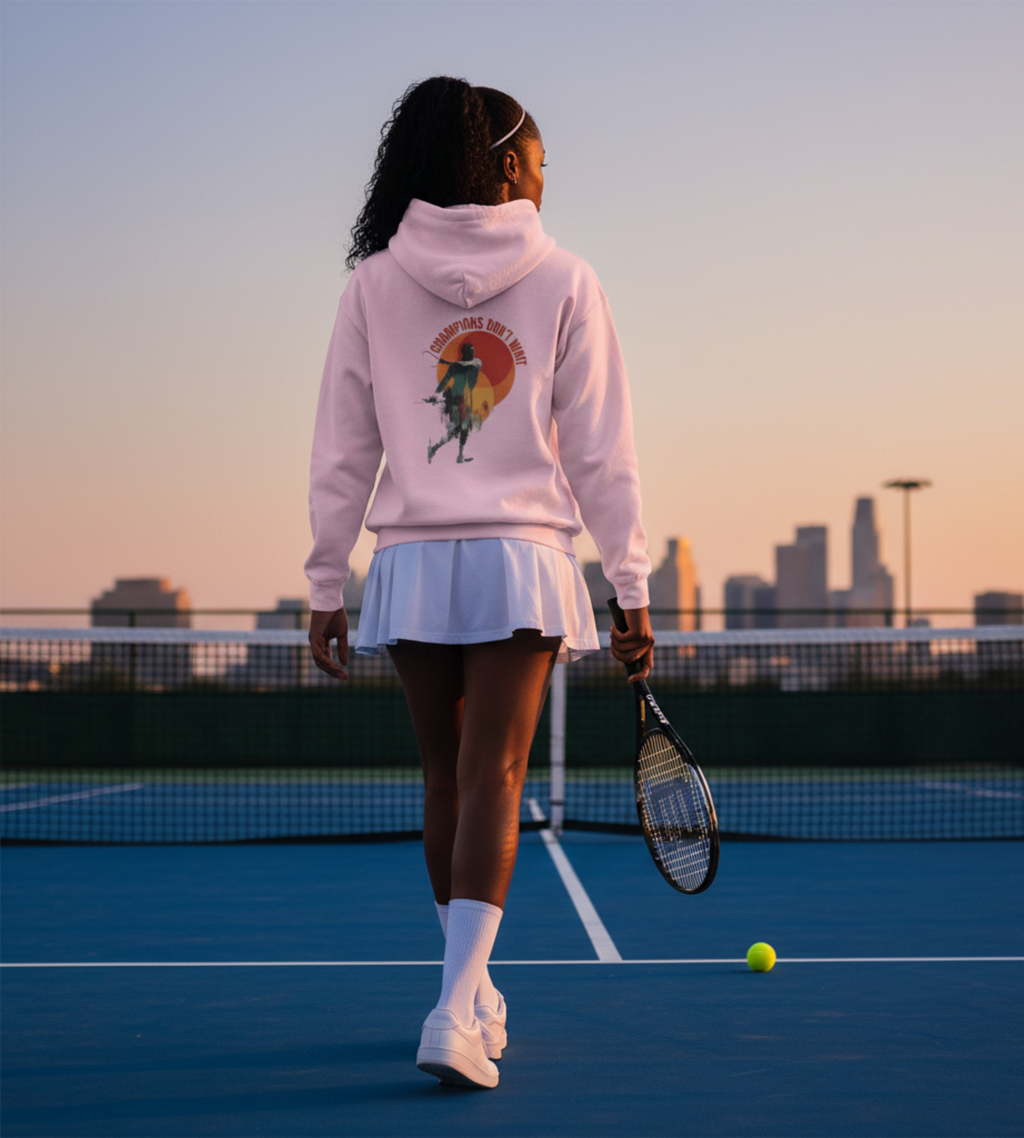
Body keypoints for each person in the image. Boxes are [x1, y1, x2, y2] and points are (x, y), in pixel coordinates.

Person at [305, 76, 654, 1090]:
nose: (547, 181)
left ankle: (472, 984)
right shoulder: (568, 279)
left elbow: (342, 448)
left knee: (447, 778)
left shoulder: (371, 283)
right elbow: (604, 453)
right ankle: (458, 1004)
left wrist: (328, 578)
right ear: (505, 166)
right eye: (541, 163)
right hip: (520, 558)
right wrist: (629, 583)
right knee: (495, 776)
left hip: (409, 561)